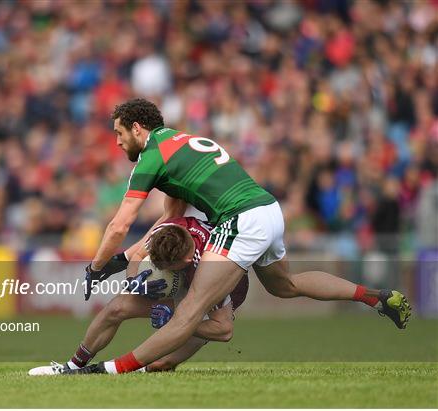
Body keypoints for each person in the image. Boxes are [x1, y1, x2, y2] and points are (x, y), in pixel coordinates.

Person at [68, 98, 411, 375]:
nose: (117, 141)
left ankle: (110, 369)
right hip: (267, 210)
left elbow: (119, 224)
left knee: (188, 312)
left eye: (119, 133)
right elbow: (171, 216)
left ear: (138, 128)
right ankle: (374, 297)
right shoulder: (179, 143)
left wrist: (96, 266)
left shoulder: (150, 158)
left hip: (241, 220)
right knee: (285, 286)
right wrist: (119, 261)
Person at [28, 216, 249, 375]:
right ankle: (73, 367)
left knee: (161, 364)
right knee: (117, 307)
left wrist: (173, 318)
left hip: (221, 287)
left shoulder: (213, 267)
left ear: (185, 261)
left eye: (167, 268)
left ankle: (127, 369)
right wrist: (132, 281)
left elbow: (224, 330)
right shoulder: (167, 232)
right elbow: (138, 254)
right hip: (185, 276)